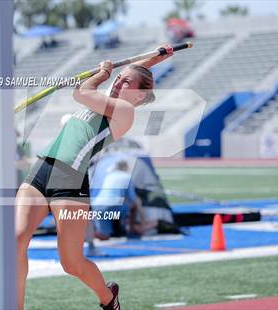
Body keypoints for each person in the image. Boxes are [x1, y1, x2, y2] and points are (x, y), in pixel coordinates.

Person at [15, 44, 174, 310]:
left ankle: (108, 297)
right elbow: (131, 73)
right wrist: (155, 58)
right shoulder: (111, 97)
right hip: (41, 168)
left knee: (71, 263)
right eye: (118, 79)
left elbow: (81, 92)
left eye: (125, 83)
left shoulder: (124, 112)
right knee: (17, 240)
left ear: (138, 95)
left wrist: (101, 74)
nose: (118, 83)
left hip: (70, 180)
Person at [91, 160, 138, 240]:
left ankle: (94, 232)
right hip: (111, 206)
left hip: (96, 205)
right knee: (134, 206)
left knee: (104, 235)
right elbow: (132, 198)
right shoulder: (127, 176)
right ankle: (131, 229)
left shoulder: (109, 176)